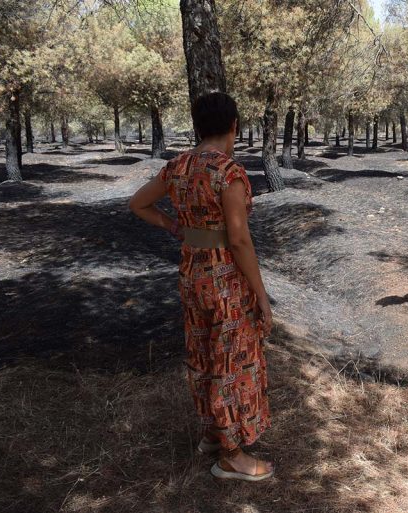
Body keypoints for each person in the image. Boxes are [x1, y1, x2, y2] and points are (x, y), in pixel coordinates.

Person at [129, 92, 274, 481]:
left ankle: (212, 434)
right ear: (234, 126)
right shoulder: (228, 173)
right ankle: (231, 455)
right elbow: (239, 240)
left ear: (198, 127)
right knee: (232, 360)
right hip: (226, 277)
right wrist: (261, 294)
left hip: (192, 273)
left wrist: (175, 226)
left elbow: (138, 204)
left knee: (204, 352)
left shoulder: (178, 167)